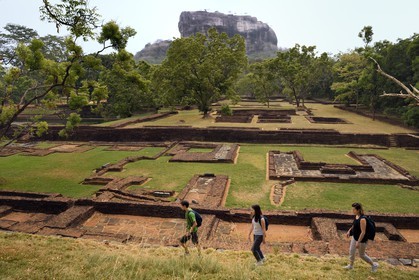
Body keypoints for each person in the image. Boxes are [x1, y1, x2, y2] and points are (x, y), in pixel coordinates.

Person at [344, 202, 379, 272]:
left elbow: (363, 232)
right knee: (351, 251)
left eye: (354, 209)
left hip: (362, 240)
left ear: (358, 210)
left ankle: (374, 265)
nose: (352, 211)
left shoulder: (363, 219)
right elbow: (354, 225)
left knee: (362, 255)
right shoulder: (356, 216)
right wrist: (349, 231)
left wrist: (358, 242)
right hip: (355, 237)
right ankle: (351, 265)